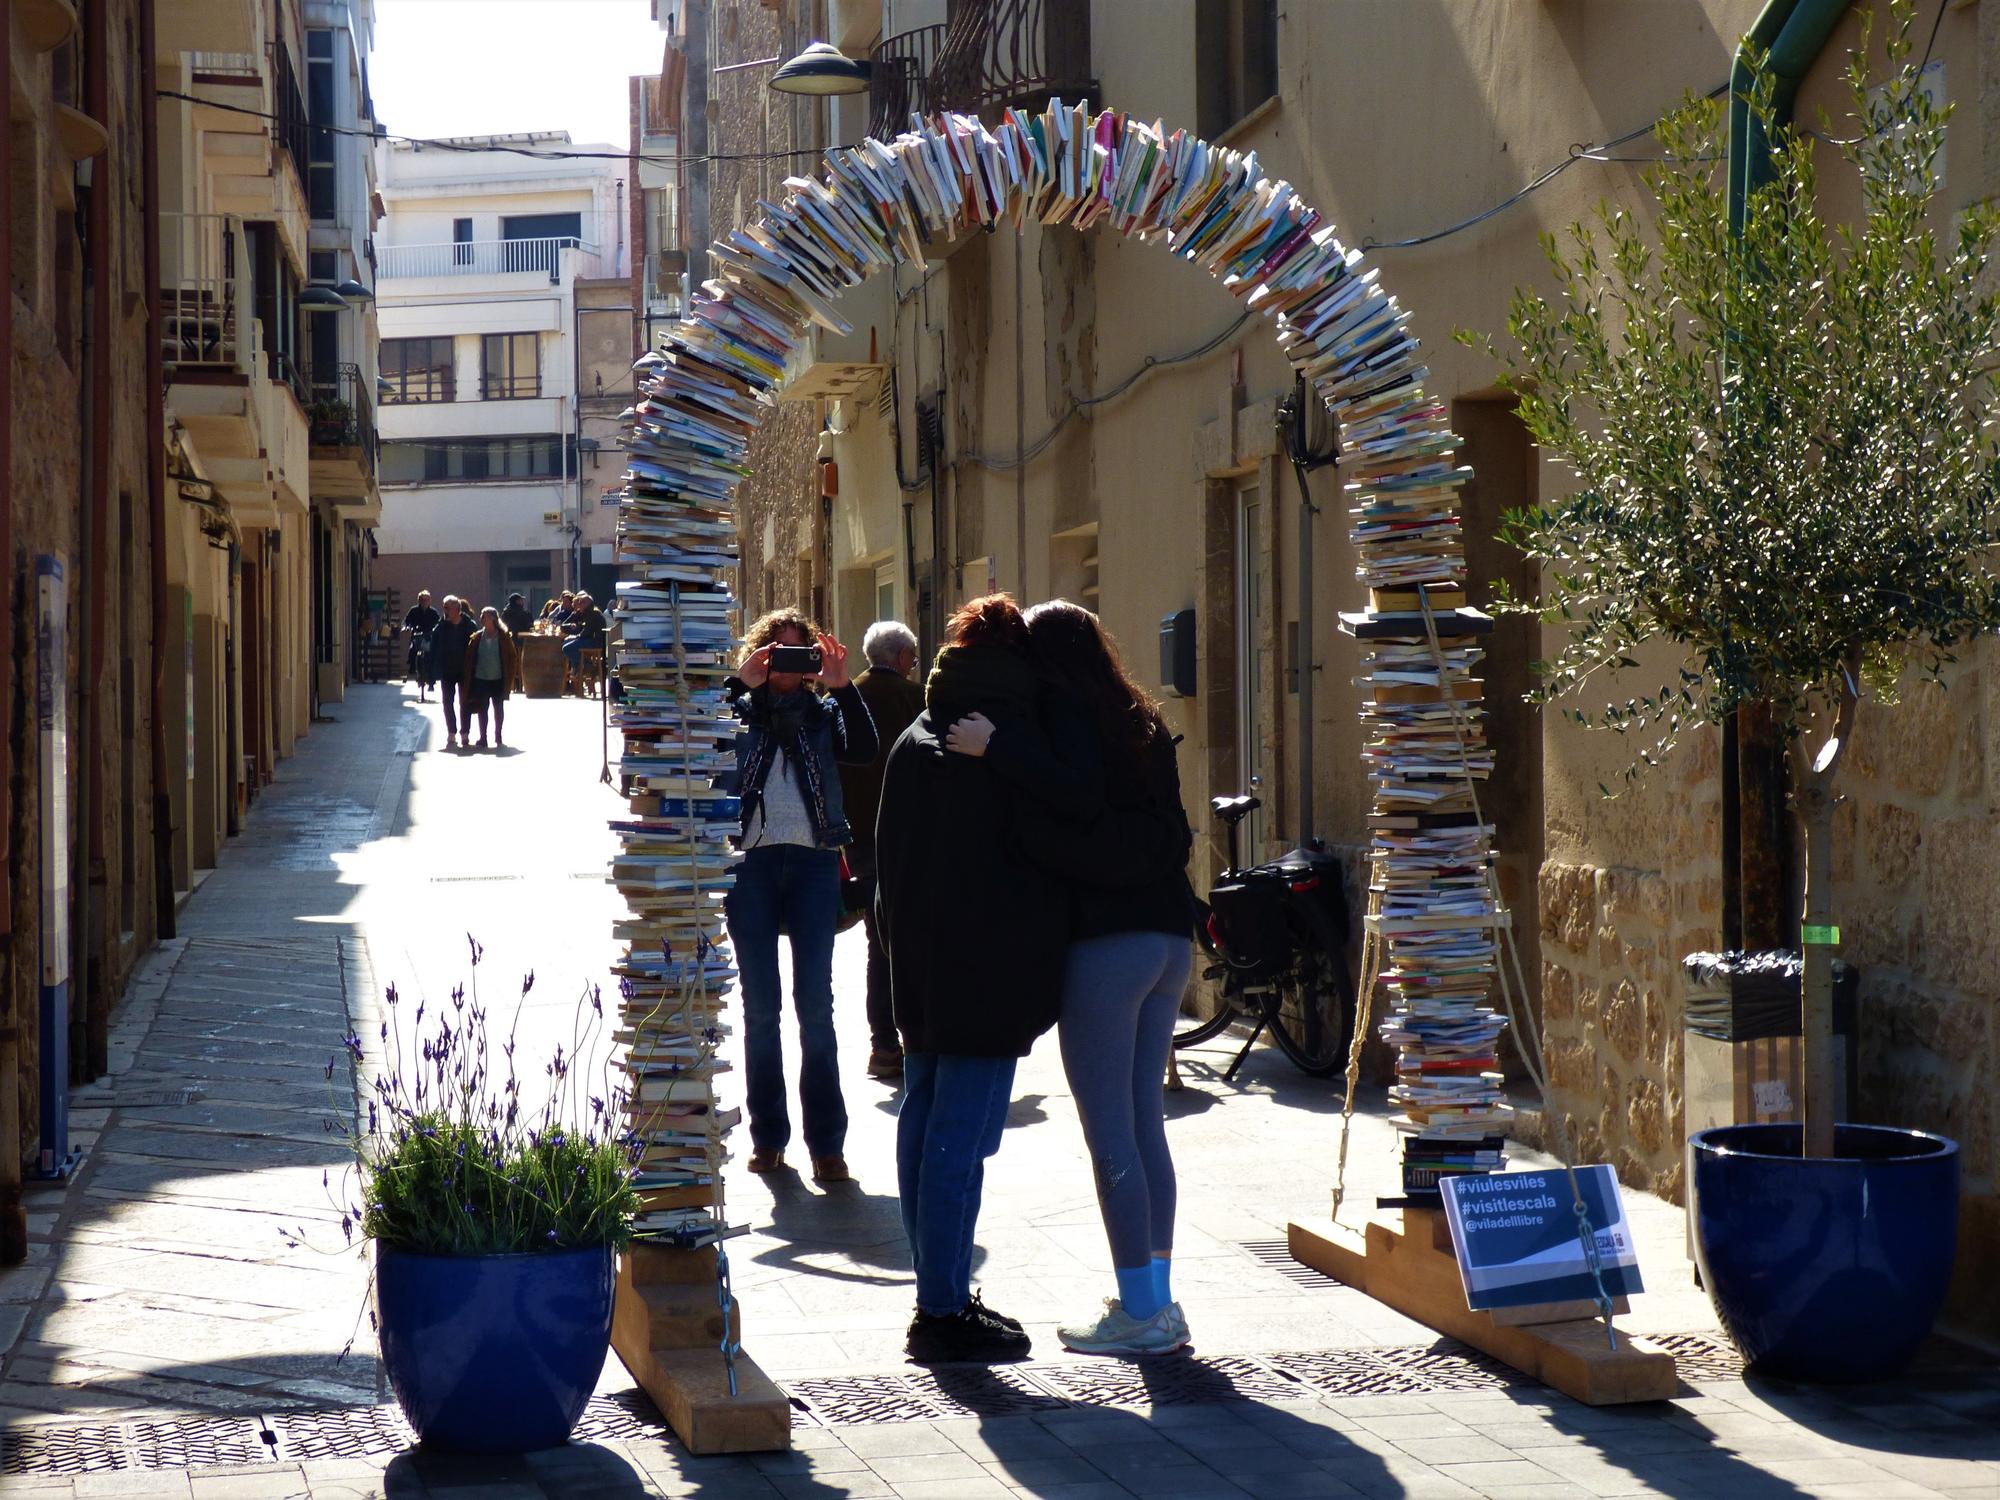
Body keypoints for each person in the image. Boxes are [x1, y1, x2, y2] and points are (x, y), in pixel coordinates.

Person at [875, 594, 1102, 1364]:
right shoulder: (1010, 738)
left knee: (926, 1116)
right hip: (989, 964)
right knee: (959, 1139)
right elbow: (1057, 835)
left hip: (921, 957)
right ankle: (940, 1310)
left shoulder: (920, 731)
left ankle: (934, 1293)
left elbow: (889, 858)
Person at [1021, 600, 1196, 1358]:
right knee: (1144, 1124)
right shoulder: (1142, 720)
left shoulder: (1062, 721)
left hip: (1107, 943)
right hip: (1169, 938)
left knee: (1110, 1135)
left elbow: (1061, 813)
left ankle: (1140, 1311)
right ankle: (1156, 1297)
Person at [723, 609, 877, 1185]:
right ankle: (769, 1139)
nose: (787, 669)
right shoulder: (736, 709)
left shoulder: (825, 711)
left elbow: (864, 748)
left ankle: (827, 1145)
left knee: (817, 1009)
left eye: (798, 656)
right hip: (751, 866)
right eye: (777, 654)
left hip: (813, 864)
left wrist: (843, 686)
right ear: (762, 654)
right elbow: (701, 734)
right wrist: (742, 681)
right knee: (761, 1009)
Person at [836, 620, 923, 1081]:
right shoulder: (914, 700)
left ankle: (883, 1047)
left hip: (857, 837)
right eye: (910, 655)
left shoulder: (846, 697)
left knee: (878, 943)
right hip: (904, 837)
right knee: (905, 942)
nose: (913, 662)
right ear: (898, 656)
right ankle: (910, 1039)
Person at [463, 606, 518, 750]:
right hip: (481, 678)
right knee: (482, 709)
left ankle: (498, 735)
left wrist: (510, 676)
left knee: (498, 707)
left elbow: (512, 657)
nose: (482, 618)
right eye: (481, 615)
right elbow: (470, 658)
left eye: (485, 616)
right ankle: (483, 737)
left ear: (493, 619)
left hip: (498, 678)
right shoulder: (476, 638)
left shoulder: (504, 637)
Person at [428, 596, 477, 749]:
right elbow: (433, 649)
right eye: (444, 607)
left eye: (447, 608)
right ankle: (451, 732)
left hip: (464, 670)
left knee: (465, 702)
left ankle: (465, 733)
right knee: (447, 702)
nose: (445, 611)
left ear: (457, 609)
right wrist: (432, 671)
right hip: (447, 670)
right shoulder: (441, 627)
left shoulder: (470, 626)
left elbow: (476, 648)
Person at [561, 592, 607, 694]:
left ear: (586, 604)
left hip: (595, 643)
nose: (578, 605)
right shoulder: (589, 612)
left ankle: (586, 666)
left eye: (581, 603)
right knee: (566, 643)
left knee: (567, 648)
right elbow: (567, 626)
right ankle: (581, 668)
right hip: (593, 640)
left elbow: (587, 632)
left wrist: (576, 636)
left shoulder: (593, 614)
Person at [402, 591, 440, 702]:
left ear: (430, 601)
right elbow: (406, 622)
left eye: (426, 600)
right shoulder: (413, 611)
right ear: (419, 600)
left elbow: (438, 623)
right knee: (412, 649)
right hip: (417, 636)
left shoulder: (433, 612)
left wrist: (435, 631)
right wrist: (406, 627)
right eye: (422, 600)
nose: (424, 602)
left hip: (428, 637)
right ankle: (412, 667)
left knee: (432, 654)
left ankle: (432, 679)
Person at [501, 593, 534, 692]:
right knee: (523, 659)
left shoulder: (505, 613)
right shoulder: (523, 613)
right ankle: (521, 683)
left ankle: (514, 684)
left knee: (513, 662)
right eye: (520, 600)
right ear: (517, 601)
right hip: (521, 643)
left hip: (508, 643)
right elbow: (529, 626)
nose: (522, 602)